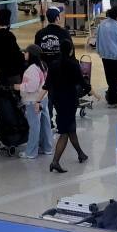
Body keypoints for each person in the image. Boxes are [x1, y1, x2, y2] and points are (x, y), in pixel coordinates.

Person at [46, 39, 91, 172]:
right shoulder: (73, 64)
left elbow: (48, 83)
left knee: (70, 128)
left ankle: (80, 153)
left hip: (57, 100)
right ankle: (55, 161)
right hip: (70, 100)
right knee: (65, 131)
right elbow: (81, 81)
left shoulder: (53, 64)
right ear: (71, 50)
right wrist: (88, 89)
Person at [17, 44, 53, 160]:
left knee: (34, 126)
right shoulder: (43, 65)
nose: (24, 54)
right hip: (43, 98)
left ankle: (31, 152)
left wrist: (19, 87)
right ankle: (47, 147)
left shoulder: (31, 69)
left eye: (26, 52)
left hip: (33, 101)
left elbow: (31, 87)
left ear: (31, 54)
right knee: (45, 123)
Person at [96, 5, 117, 106]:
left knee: (109, 77)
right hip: (115, 56)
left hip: (105, 55)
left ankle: (114, 95)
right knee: (116, 77)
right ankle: (114, 99)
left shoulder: (102, 24)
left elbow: (98, 39)